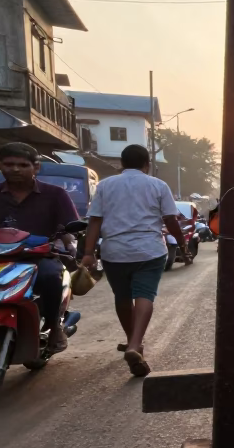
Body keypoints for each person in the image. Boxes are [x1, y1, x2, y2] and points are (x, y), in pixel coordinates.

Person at [81, 144, 190, 377]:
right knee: (144, 295)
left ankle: (132, 340)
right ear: (146, 164)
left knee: (122, 296)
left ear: (121, 163)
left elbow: (95, 221)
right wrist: (182, 244)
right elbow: (170, 220)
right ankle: (134, 344)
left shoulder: (105, 185)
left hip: (114, 251)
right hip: (149, 250)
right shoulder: (158, 185)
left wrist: (88, 252)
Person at [0, 142, 79, 354]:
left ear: (36, 167)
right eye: (9, 164)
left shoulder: (55, 194)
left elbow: (69, 227)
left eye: (23, 165)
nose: (15, 169)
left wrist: (71, 243)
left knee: (51, 277)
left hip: (40, 257)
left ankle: (54, 327)